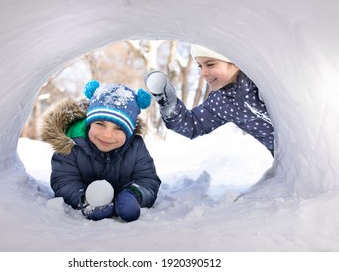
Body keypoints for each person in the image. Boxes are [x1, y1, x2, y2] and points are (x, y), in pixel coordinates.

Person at [41, 80, 161, 222]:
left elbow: (148, 179)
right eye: (100, 124)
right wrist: (85, 199)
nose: (107, 135)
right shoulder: (72, 145)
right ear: (89, 123)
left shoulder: (136, 147)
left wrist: (135, 194)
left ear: (129, 132)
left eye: (119, 128)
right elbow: (64, 181)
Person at [144, 44, 274, 156]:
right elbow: (193, 125)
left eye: (210, 64)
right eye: (200, 66)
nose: (203, 73)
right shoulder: (221, 101)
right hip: (288, 162)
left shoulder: (262, 79)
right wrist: (168, 103)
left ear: (235, 61)